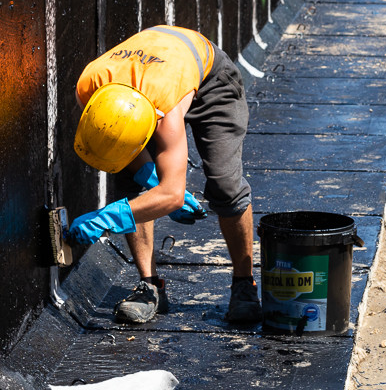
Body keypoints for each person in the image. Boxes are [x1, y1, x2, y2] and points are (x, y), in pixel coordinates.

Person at [68, 24, 261, 325]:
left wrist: (106, 217)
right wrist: (152, 182)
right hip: (152, 71)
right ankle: (150, 285)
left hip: (210, 79)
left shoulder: (165, 112)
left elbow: (171, 195)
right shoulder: (89, 87)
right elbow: (126, 152)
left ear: (153, 123)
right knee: (134, 185)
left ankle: (244, 284)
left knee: (225, 183)